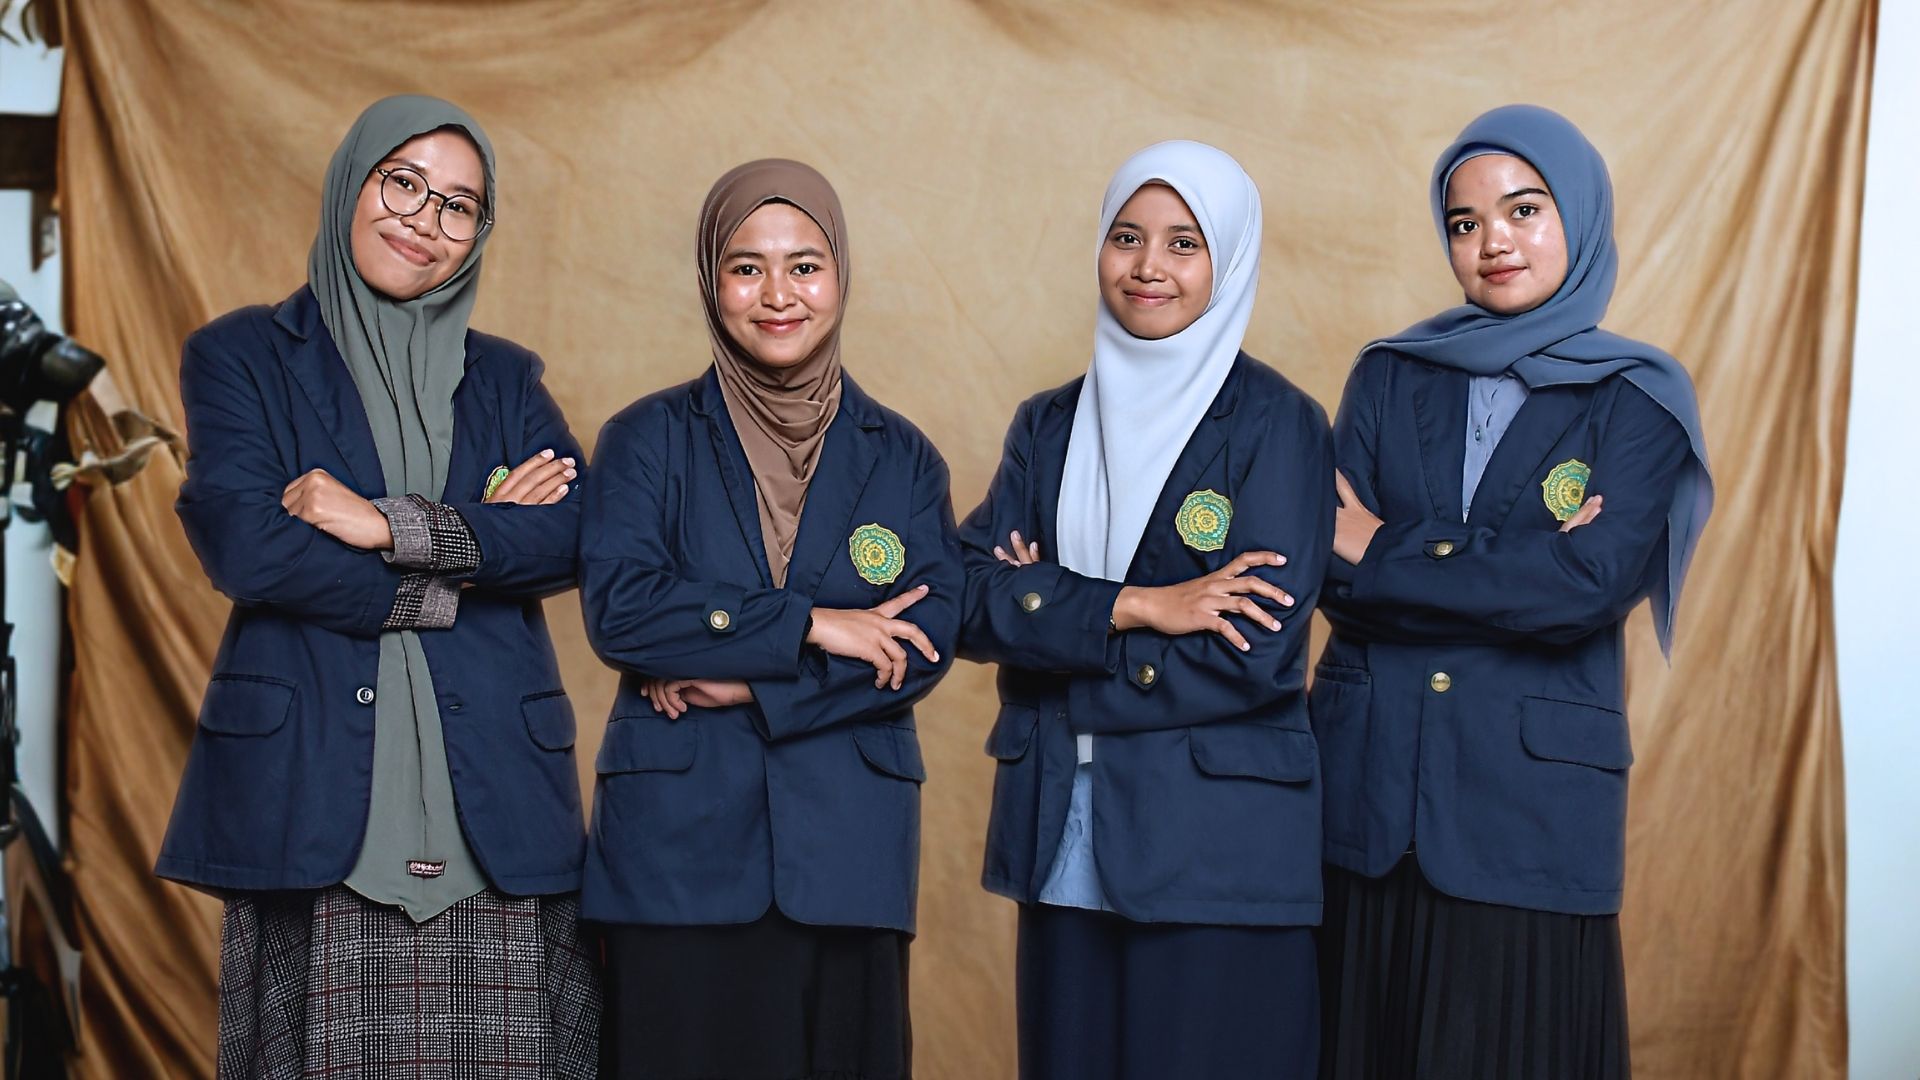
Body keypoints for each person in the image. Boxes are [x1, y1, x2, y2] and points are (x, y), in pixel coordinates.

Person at [159, 95, 600, 1077]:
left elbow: (573, 536)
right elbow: (247, 545)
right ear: (351, 183)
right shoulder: (242, 356)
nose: (424, 221)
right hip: (313, 795)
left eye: (458, 206)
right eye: (403, 183)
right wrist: (457, 569)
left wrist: (385, 525)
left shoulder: (506, 379)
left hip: (496, 807)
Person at [1313, 104, 1713, 1080]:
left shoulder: (1639, 399)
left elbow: (1581, 590)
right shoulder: (1390, 375)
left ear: (1578, 213)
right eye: (1465, 222)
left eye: (1524, 210)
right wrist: (1511, 563)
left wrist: (1387, 548)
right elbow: (1329, 571)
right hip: (1368, 803)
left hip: (1526, 814)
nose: (1493, 241)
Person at [578, 158, 961, 1080]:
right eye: (747, 267)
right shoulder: (645, 438)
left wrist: (751, 682)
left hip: (848, 853)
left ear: (841, 275)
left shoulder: (904, 458)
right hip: (675, 853)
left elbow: (923, 642)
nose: (778, 294)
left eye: (805, 265)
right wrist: (812, 626)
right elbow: (623, 611)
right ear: (711, 280)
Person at [958, 140, 1334, 1079]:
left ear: (1228, 260)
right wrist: (1137, 605)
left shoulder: (1280, 424)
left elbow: (1254, 650)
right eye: (1127, 237)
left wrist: (1051, 633)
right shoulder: (1048, 425)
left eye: (1183, 243)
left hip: (1216, 847)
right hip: (1060, 834)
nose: (1148, 266)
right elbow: (965, 598)